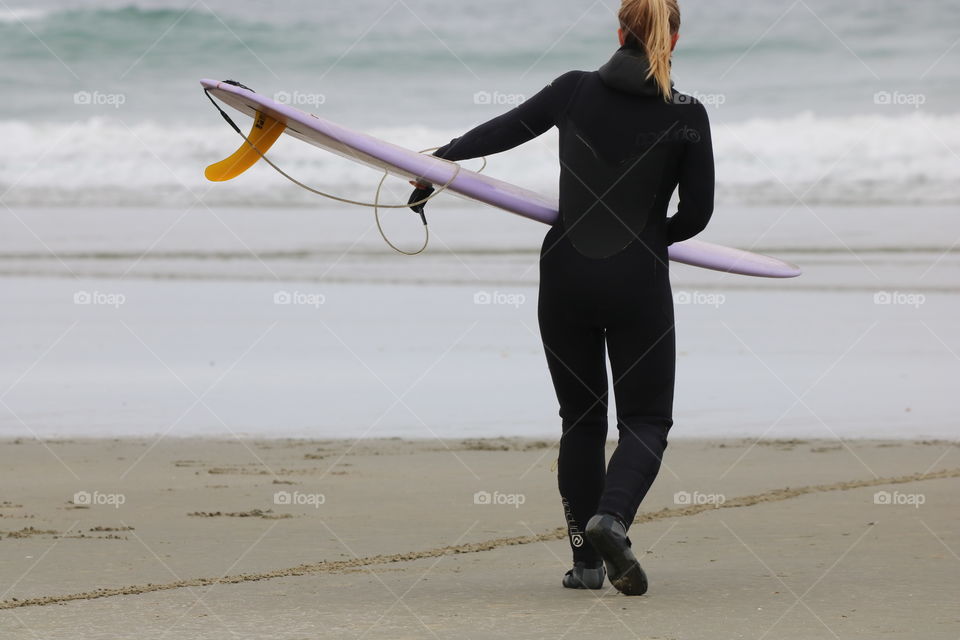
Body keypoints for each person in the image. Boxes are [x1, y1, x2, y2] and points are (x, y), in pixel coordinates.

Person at [410, 0, 714, 595]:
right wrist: (650, 239)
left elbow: (502, 130)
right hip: (638, 280)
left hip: (566, 272)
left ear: (619, 31)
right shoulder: (688, 115)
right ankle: (612, 521)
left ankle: (586, 563)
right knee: (646, 420)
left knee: (581, 419)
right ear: (674, 40)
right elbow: (697, 215)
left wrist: (436, 161)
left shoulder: (573, 89)